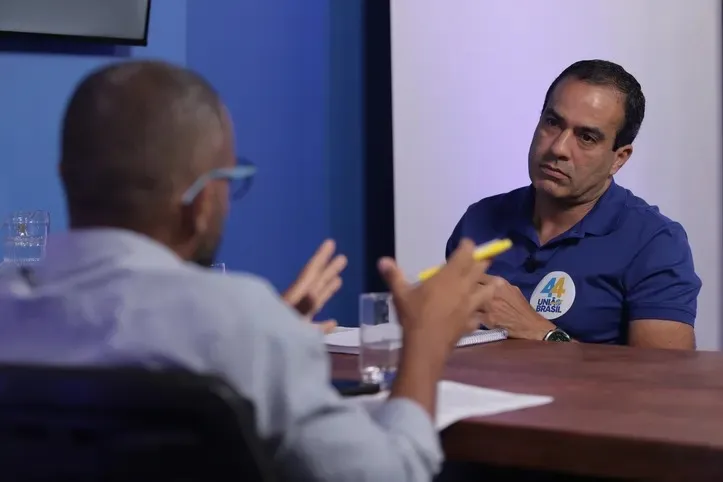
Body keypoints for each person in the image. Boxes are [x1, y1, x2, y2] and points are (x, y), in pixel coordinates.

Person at [0, 60, 496, 481]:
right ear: (199, 203)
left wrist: (271, 328)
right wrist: (425, 341)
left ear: (66, 177)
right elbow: (390, 473)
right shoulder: (243, 326)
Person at [446, 59, 701, 349]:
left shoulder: (654, 242)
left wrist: (543, 333)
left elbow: (664, 383)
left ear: (619, 158)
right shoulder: (479, 220)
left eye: (587, 137)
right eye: (552, 123)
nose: (558, 148)